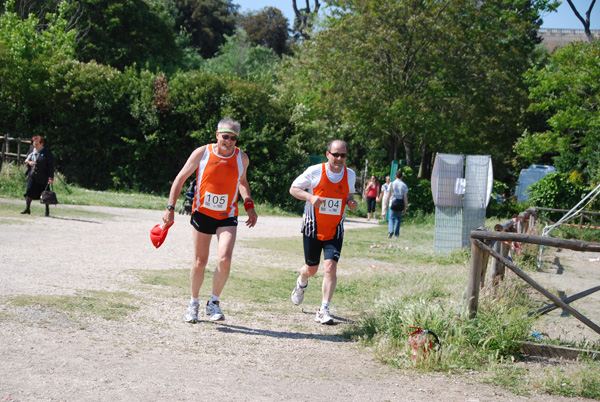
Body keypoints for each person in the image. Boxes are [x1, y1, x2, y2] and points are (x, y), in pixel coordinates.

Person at [161, 118, 258, 323]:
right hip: (203, 214)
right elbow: (180, 179)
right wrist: (170, 208)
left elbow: (242, 182)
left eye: (233, 138)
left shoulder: (242, 158)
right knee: (200, 261)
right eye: (225, 136)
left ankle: (213, 303)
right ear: (217, 135)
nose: (229, 141)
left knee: (225, 259)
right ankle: (193, 303)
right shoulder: (202, 153)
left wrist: (249, 205)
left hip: (227, 215)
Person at [289, 140, 358, 325]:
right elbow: (293, 189)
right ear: (327, 154)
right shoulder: (315, 171)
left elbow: (349, 195)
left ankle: (324, 309)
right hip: (313, 227)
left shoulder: (350, 175)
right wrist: (310, 197)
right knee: (311, 269)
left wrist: (351, 203)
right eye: (335, 154)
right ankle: (301, 282)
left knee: (330, 267)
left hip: (335, 229)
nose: (339, 158)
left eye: (343, 155)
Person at [22, 136, 55, 217]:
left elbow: (51, 166)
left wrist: (51, 177)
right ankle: (27, 208)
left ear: (41, 144)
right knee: (29, 191)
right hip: (32, 175)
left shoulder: (47, 153)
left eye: (36, 144)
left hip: (43, 176)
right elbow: (26, 160)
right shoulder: (31, 151)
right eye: (34, 144)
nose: (35, 146)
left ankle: (47, 211)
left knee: (45, 194)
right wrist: (29, 163)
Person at [388, 170, 408, 238]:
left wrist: (385, 204)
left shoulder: (391, 184)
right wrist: (405, 208)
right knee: (398, 219)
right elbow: (405, 198)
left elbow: (388, 195)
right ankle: (396, 234)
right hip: (400, 203)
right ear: (402, 177)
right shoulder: (404, 185)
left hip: (393, 202)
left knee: (391, 218)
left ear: (395, 176)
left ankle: (391, 230)